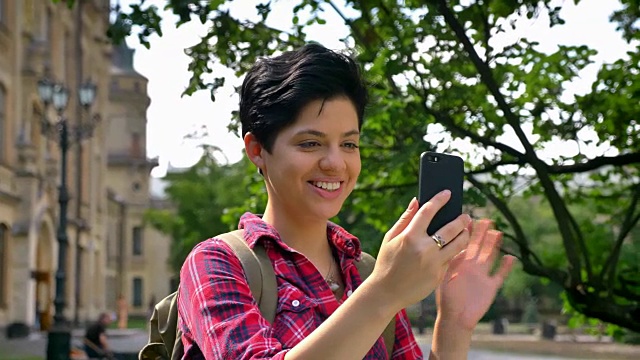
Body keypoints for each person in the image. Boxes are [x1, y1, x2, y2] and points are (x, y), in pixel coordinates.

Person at [177, 43, 516, 359]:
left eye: (349, 145)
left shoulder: (365, 271)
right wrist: (385, 293)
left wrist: (454, 324)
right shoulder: (217, 263)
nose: (335, 163)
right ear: (257, 150)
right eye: (310, 143)